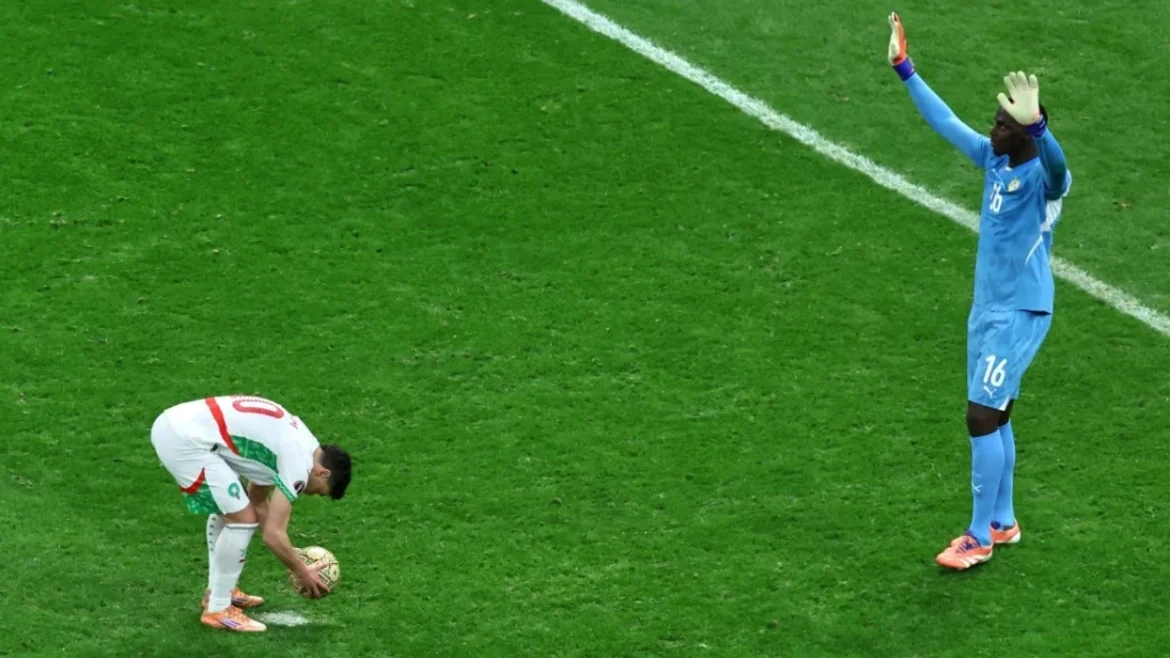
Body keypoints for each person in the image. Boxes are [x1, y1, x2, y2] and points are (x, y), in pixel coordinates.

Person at [886, 12, 1071, 570]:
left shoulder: (1043, 180)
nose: (993, 130)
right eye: (995, 121)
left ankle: (977, 536)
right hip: (987, 309)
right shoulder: (993, 159)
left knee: (979, 417)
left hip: (1020, 311)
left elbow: (1059, 167)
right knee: (998, 414)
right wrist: (905, 68)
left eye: (1004, 125)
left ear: (1025, 132)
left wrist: (1040, 127)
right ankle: (1002, 521)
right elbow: (945, 121)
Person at [151, 394, 353, 630]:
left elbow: (257, 500)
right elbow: (272, 535)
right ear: (323, 473)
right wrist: (302, 571)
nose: (311, 494)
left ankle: (220, 591)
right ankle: (218, 609)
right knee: (242, 519)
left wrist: (292, 555)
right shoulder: (300, 463)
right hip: (184, 440)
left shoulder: (303, 442)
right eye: (320, 491)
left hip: (181, 426)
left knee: (236, 510)